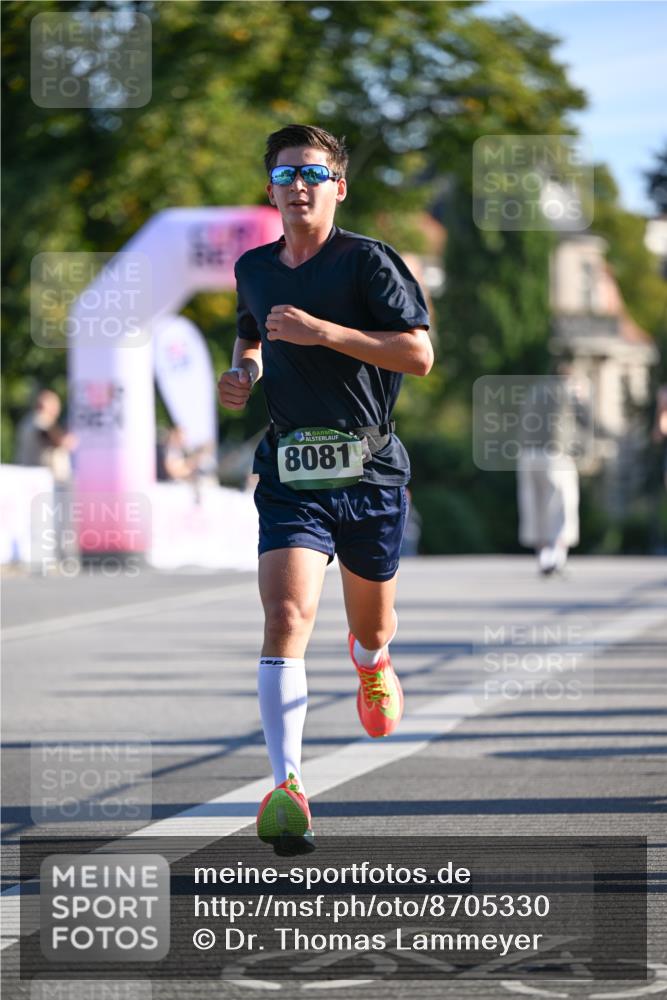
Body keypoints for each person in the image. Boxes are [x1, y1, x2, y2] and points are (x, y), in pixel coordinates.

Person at [217, 124, 432, 855]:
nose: (298, 185)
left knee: (369, 627)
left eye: (312, 173)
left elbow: (418, 354)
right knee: (284, 614)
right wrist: (244, 372)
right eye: (284, 175)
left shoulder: (368, 262)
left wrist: (323, 333)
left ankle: (371, 663)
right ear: (270, 188)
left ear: (338, 186)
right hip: (290, 472)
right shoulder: (253, 267)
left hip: (369, 471)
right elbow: (252, 332)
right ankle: (287, 788)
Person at [517, 365, 591, 575]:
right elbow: (586, 420)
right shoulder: (569, 391)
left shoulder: (534, 391)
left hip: (527, 455)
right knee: (561, 506)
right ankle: (556, 555)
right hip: (555, 455)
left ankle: (542, 556)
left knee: (534, 506)